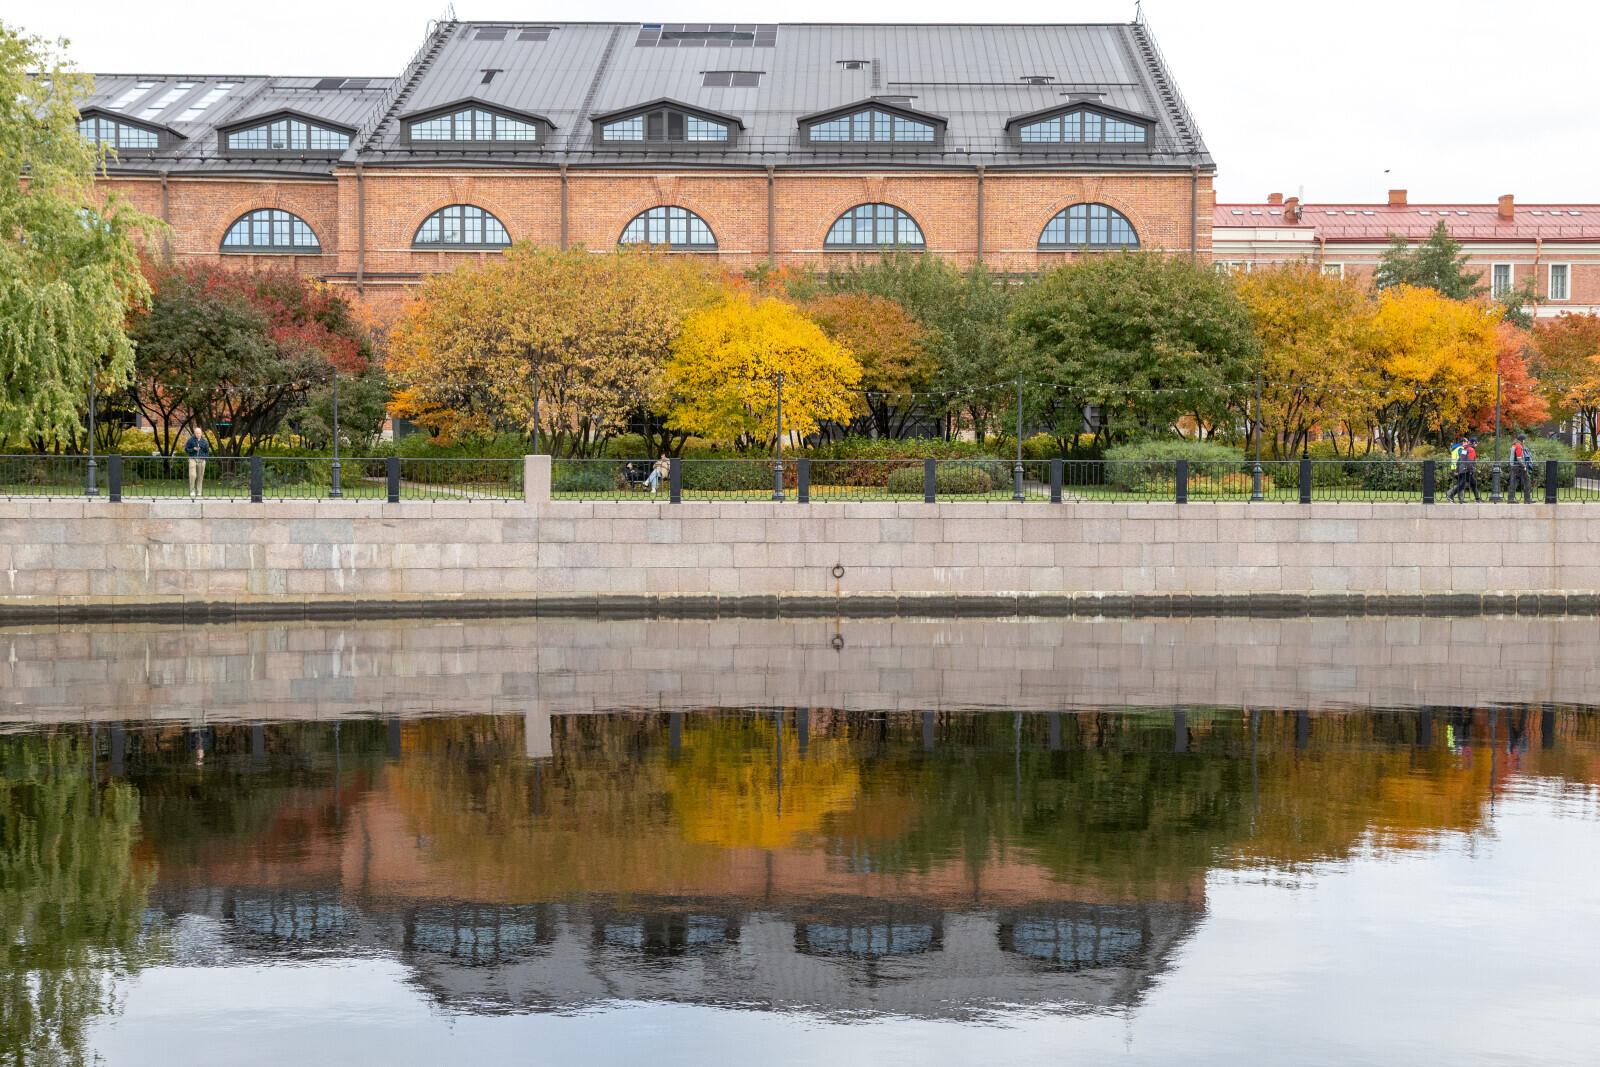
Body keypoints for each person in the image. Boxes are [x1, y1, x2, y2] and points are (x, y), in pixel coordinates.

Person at [183, 426, 211, 498]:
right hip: (193, 458)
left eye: (199, 433)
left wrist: (203, 458)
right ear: (194, 433)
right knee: (193, 475)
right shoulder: (191, 440)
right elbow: (186, 449)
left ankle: (199, 491)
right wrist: (193, 449)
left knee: (200, 476)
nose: (198, 434)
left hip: (201, 460)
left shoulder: (204, 442)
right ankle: (192, 490)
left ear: (201, 433)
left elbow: (207, 452)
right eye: (196, 433)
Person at [1507, 432, 1534, 503]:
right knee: (1527, 481)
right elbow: (1519, 458)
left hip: (1514, 466)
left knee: (1513, 482)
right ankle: (1527, 499)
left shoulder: (1514, 445)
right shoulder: (1519, 446)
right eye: (1524, 440)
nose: (1525, 441)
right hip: (1519, 467)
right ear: (1522, 440)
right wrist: (1524, 466)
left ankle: (1511, 499)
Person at [1446, 435, 1468, 502]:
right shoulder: (1460, 448)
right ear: (1463, 442)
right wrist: (1468, 451)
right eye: (1466, 442)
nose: (1467, 443)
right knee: (1462, 483)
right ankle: (1449, 493)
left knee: (1461, 483)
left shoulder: (1455, 448)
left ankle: (1461, 499)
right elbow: (1464, 456)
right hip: (1458, 468)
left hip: (1454, 467)